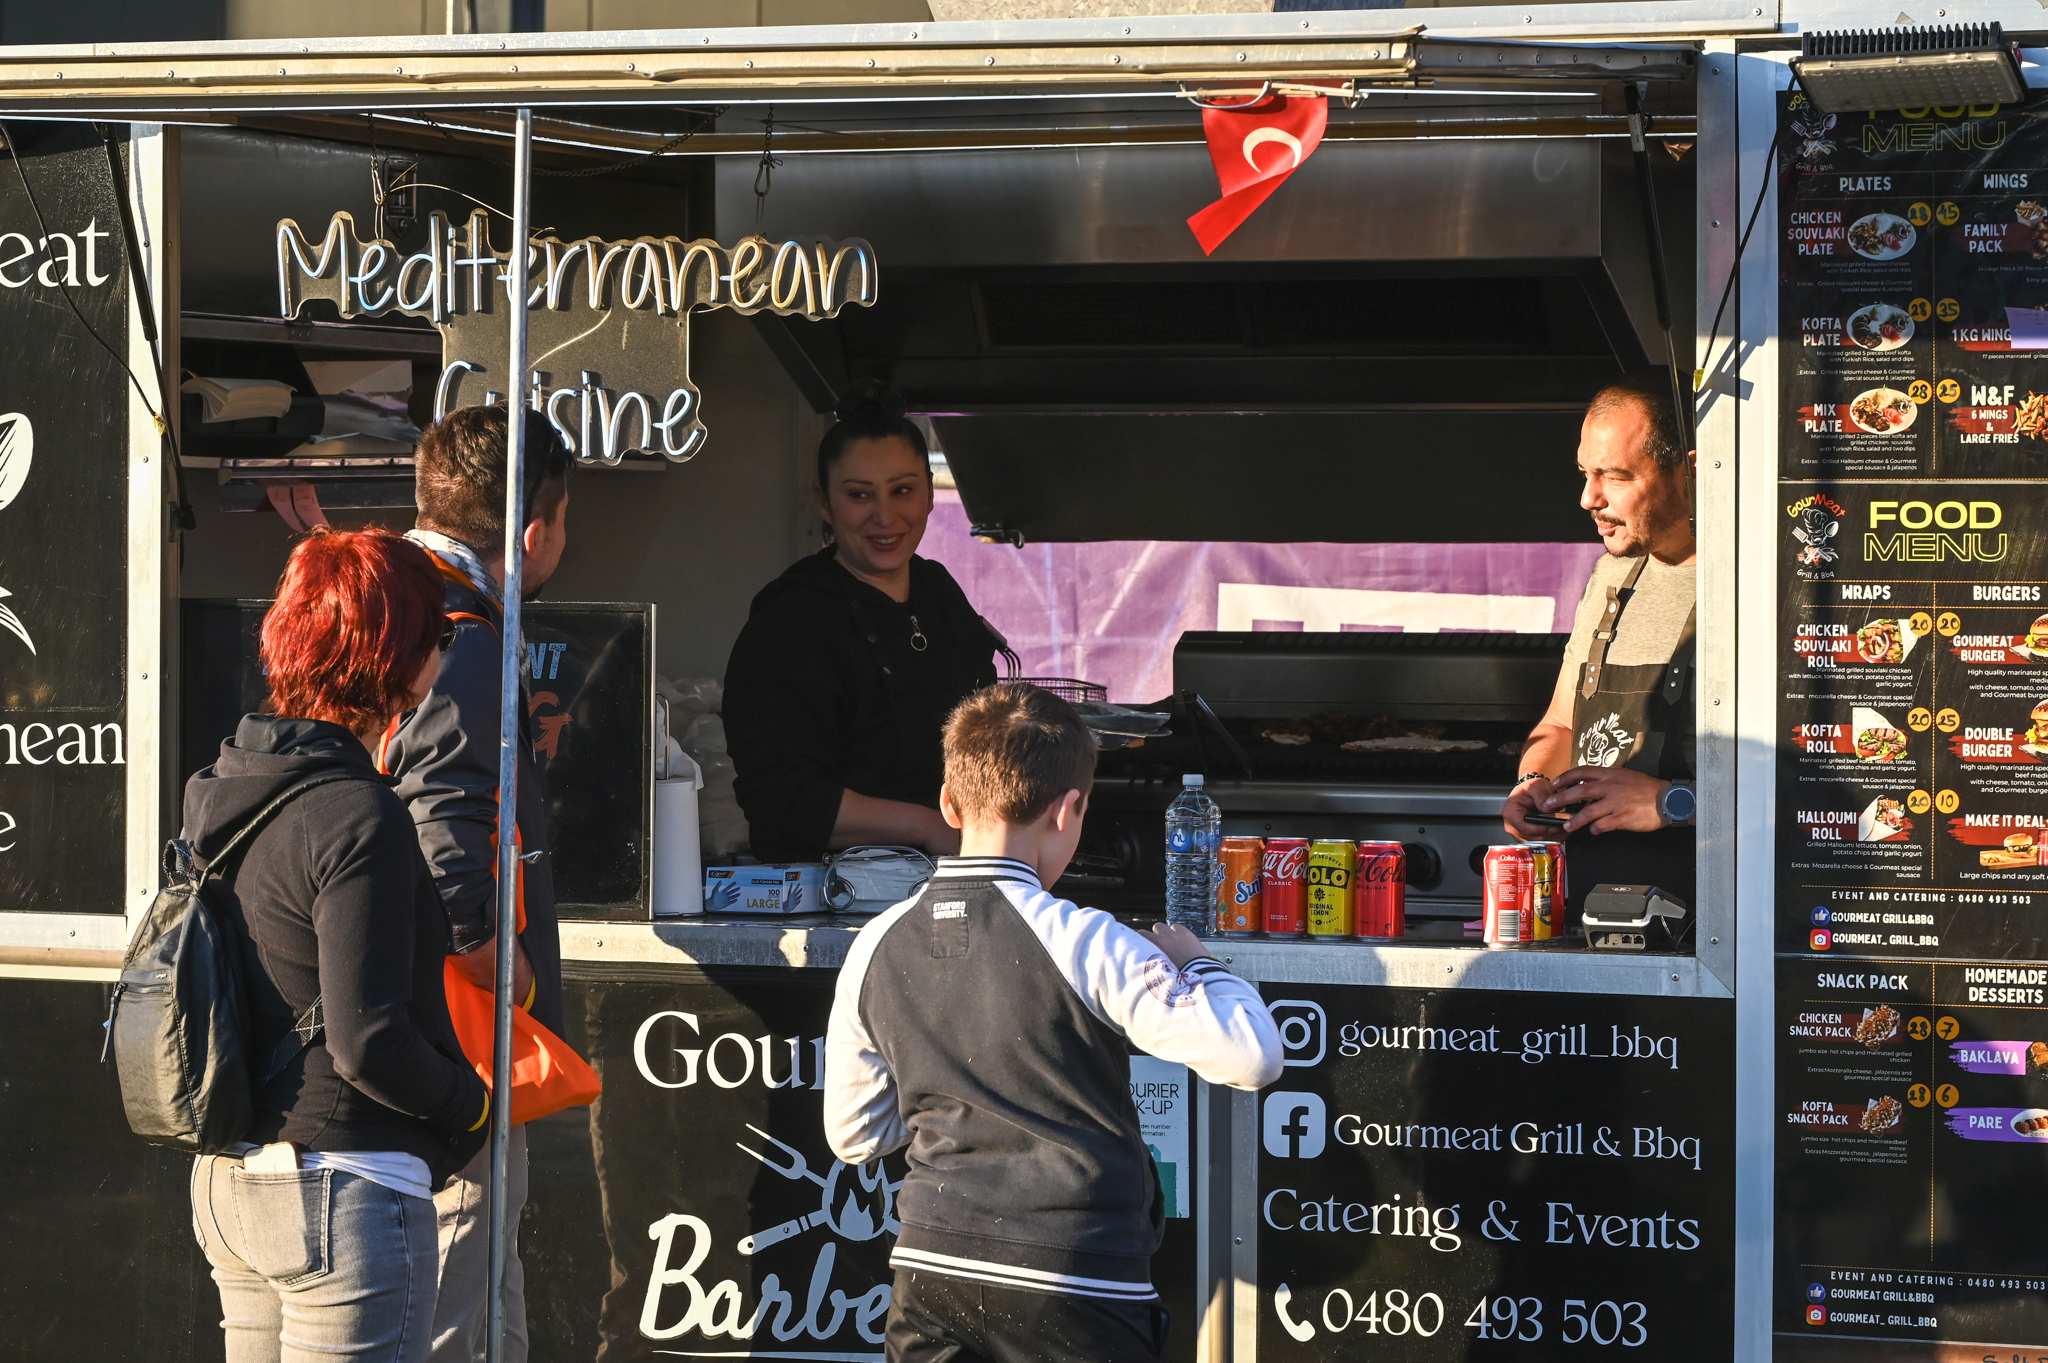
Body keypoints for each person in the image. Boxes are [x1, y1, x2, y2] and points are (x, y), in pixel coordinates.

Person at [824, 682, 1283, 1363]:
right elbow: (1254, 1056)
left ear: (949, 802)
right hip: (1078, 1279)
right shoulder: (1088, 940)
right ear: (1072, 810)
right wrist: (1200, 964)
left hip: (932, 1271)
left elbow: (855, 1135)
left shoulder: (875, 943)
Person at [184, 528, 489, 1363]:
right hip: (342, 1187)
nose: (445, 654)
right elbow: (368, 1039)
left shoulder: (218, 789)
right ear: (397, 651)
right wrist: (471, 1104)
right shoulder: (359, 812)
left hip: (229, 1180)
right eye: (442, 633)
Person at [381, 405, 572, 1363]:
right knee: (462, 1320)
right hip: (455, 1048)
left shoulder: (377, 603)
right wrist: (513, 973)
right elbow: (443, 827)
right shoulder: (466, 635)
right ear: (537, 529)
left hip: (385, 1036)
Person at [724, 385, 1001, 863]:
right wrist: (927, 827)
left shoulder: (938, 591)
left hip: (949, 876)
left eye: (903, 490)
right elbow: (783, 800)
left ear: (930, 496)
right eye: (859, 495)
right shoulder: (792, 618)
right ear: (825, 504)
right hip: (830, 895)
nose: (885, 516)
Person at [1502, 370, 1697, 913]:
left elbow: (1809, 783)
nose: (1589, 497)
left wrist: (1670, 801)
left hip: (1714, 930)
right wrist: (1534, 781)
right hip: (1594, 906)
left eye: (1614, 475)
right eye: (1586, 473)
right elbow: (1562, 723)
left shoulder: (1753, 591)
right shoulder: (1610, 579)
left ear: (1692, 471)